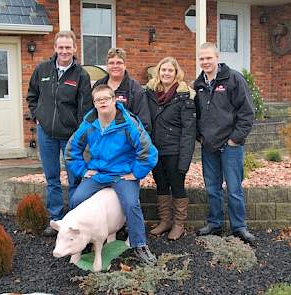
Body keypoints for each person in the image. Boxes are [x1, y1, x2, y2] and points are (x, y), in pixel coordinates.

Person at [64, 84, 158, 266]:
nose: (102, 102)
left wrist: (136, 172)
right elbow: (71, 149)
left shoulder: (128, 122)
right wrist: (83, 170)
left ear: (114, 100)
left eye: (106, 98)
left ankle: (139, 244)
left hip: (122, 174)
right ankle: (81, 241)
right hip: (98, 174)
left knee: (131, 204)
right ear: (94, 103)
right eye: (98, 100)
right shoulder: (89, 124)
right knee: (76, 199)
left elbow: (148, 151)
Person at [26, 31, 93, 237]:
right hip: (46, 133)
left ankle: (73, 220)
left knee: (74, 178)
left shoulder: (81, 75)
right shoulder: (42, 69)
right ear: (55, 48)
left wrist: (79, 134)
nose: (64, 51)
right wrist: (37, 115)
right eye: (60, 47)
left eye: (68, 47)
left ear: (74, 49)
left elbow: (85, 109)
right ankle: (55, 219)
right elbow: (32, 95)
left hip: (70, 136)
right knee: (52, 178)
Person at [194, 42, 255, 244]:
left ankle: (239, 227)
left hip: (230, 145)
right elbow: (197, 114)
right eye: (202, 58)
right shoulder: (199, 84)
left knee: (234, 188)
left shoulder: (233, 78)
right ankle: (215, 224)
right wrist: (199, 136)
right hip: (209, 145)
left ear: (217, 57)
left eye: (208, 58)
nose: (205, 61)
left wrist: (235, 139)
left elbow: (247, 112)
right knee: (212, 188)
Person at [146, 57, 196, 240]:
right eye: (163, 70)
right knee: (161, 186)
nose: (166, 73)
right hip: (155, 150)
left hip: (175, 151)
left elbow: (189, 132)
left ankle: (178, 225)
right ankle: (165, 221)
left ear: (176, 74)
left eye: (170, 70)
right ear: (158, 72)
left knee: (177, 187)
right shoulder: (150, 93)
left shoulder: (184, 97)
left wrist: (185, 160)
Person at [93, 48, 152, 134]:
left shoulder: (135, 89)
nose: (115, 66)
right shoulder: (99, 85)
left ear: (125, 65)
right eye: (111, 63)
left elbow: (144, 123)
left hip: (125, 142)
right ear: (107, 65)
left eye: (119, 63)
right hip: (101, 139)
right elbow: (91, 113)